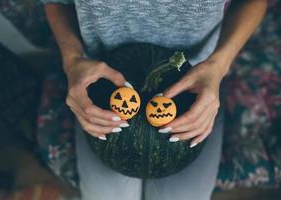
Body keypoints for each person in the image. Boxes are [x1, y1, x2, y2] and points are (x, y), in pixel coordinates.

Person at [41, 0, 267, 199]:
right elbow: (55, 2)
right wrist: (72, 61)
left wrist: (218, 66)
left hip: (199, 79)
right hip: (100, 83)